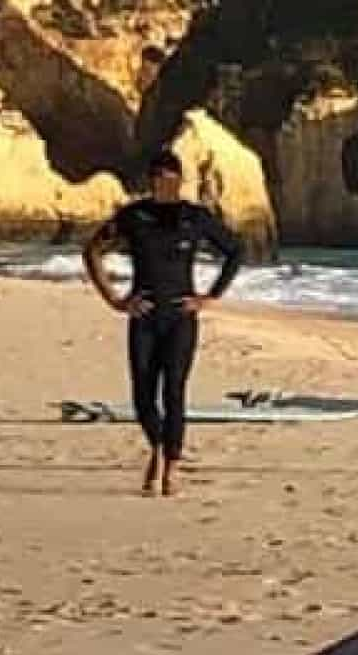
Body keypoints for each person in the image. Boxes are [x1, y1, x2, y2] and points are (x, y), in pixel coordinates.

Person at [83, 150, 244, 497]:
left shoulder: (194, 217)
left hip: (180, 316)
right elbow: (92, 250)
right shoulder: (134, 216)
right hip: (143, 313)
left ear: (179, 180)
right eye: (157, 178)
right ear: (151, 180)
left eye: (169, 178)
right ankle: (156, 447)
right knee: (142, 395)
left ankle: (170, 467)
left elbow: (236, 251)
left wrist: (210, 296)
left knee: (174, 392)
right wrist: (114, 299)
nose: (163, 185)